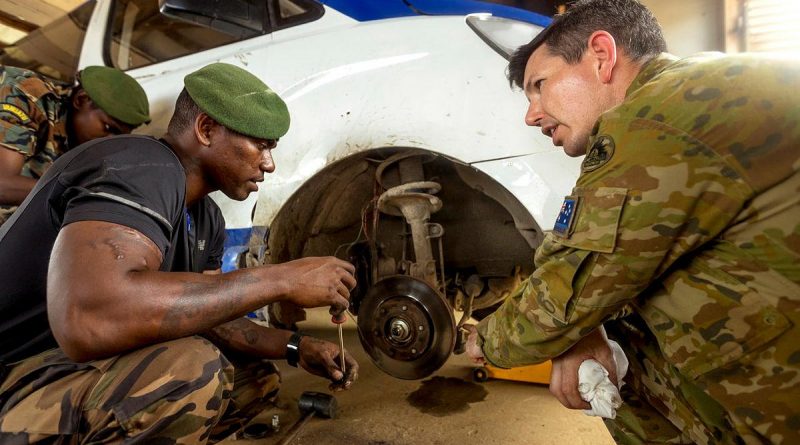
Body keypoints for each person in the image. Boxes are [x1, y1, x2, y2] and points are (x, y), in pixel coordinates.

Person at [466, 0, 800, 443]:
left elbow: (566, 289)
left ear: (601, 55)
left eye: (540, 86)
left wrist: (482, 340)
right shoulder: (689, 86)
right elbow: (594, 258)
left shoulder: (654, 120)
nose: (531, 115)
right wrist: (583, 327)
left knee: (604, 350)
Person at [0, 62, 359, 443]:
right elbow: (89, 318)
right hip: (14, 372)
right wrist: (281, 279)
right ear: (206, 129)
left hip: (56, 368)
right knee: (189, 369)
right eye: (260, 145)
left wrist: (296, 347)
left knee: (253, 378)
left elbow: (213, 318)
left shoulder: (206, 219)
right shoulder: (137, 166)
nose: (268, 163)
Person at [0, 65, 151, 226]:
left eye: (119, 137)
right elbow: (3, 185)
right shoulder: (27, 94)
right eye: (108, 128)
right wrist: (80, 193)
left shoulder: (86, 140)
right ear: (81, 100)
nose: (109, 141)